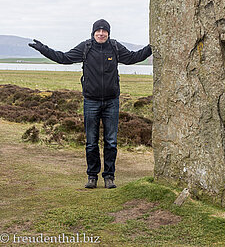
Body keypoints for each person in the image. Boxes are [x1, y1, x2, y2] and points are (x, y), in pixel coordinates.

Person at [28, 19, 152, 189]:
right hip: (91, 101)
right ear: (93, 33)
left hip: (111, 102)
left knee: (111, 141)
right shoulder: (85, 48)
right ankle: (92, 176)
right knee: (91, 142)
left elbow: (133, 58)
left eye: (104, 31)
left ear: (108, 33)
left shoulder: (115, 47)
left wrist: (152, 46)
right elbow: (63, 58)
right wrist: (43, 49)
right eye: (98, 31)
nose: (101, 33)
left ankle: (109, 176)